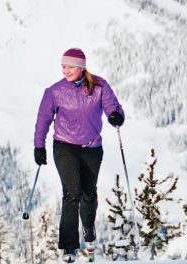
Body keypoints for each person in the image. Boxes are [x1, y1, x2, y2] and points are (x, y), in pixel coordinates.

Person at [33, 48, 125, 263]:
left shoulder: (99, 86)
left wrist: (115, 116)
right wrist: (39, 146)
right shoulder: (54, 91)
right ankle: (69, 247)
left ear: (82, 67)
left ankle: (89, 229)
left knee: (88, 193)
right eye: (63, 66)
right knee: (72, 193)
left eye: (70, 67)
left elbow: (113, 107)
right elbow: (43, 119)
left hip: (92, 148)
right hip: (64, 147)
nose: (65, 70)